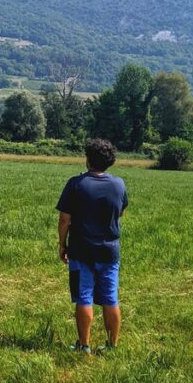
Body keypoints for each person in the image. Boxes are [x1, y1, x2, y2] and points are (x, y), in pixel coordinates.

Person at [56, 138, 128, 354]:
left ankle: (84, 345)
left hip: (81, 250)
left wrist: (62, 244)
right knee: (110, 298)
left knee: (84, 297)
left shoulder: (76, 184)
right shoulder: (119, 184)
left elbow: (64, 219)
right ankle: (112, 345)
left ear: (88, 160)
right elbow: (121, 212)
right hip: (109, 251)